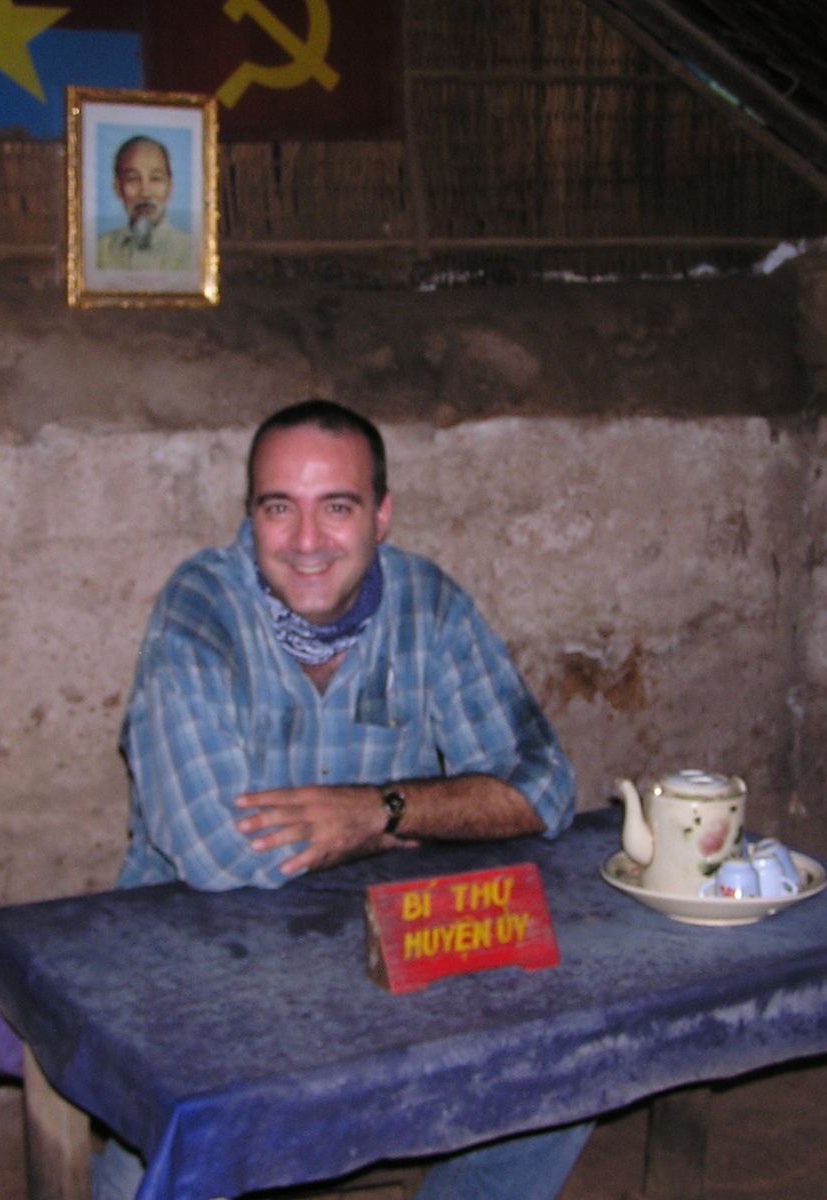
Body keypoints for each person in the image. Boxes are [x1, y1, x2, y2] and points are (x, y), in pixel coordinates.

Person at [97, 400, 592, 1200]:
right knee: (161, 1154)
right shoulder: (202, 606)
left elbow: (543, 788)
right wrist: (411, 823)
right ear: (250, 514)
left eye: (337, 507)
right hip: (192, 952)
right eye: (278, 508)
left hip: (382, 936)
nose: (306, 541)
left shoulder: (428, 604)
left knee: (570, 1057)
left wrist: (377, 810)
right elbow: (217, 854)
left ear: (381, 515)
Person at [95, 134, 195, 273]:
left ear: (170, 187)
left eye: (155, 178)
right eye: (133, 179)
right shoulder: (98, 251)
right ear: (117, 188)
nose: (145, 192)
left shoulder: (191, 252)